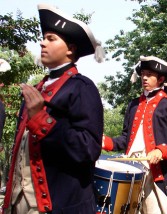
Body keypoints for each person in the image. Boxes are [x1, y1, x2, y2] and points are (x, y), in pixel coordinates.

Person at [3, 4, 104, 214]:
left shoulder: (82, 87)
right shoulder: (38, 87)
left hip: (57, 204)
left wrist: (41, 119)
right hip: (18, 202)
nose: (42, 42)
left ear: (70, 49)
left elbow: (89, 150)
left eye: (51, 38)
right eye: (44, 37)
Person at [102, 56, 167, 214]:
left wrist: (161, 150)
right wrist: (106, 142)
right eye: (143, 74)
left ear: (161, 78)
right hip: (130, 168)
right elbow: (125, 139)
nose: (145, 77)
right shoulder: (134, 104)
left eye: (149, 74)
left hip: (155, 172)